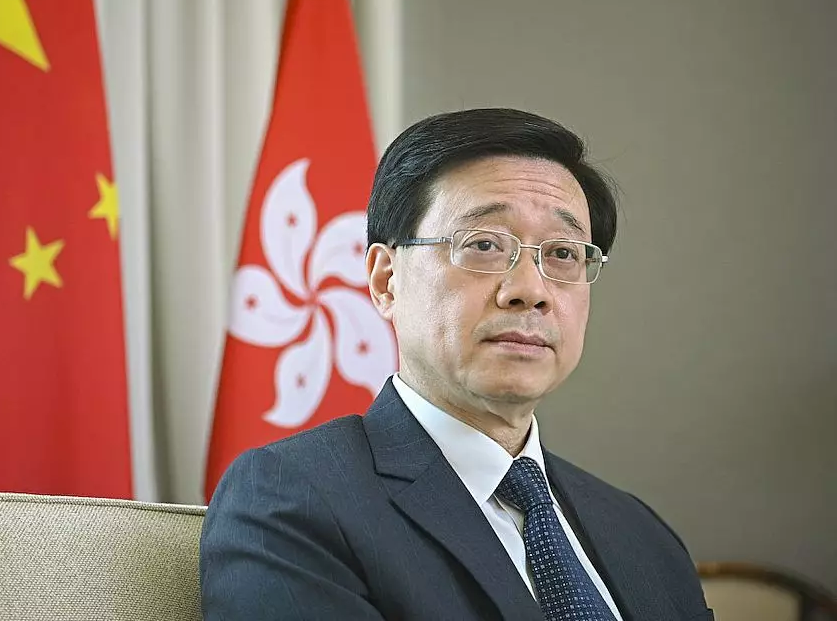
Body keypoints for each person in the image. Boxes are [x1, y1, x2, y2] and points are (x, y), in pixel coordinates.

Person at [200, 108, 713, 621]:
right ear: (386, 280)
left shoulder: (642, 534)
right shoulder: (293, 498)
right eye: (484, 245)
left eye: (562, 253)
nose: (530, 290)